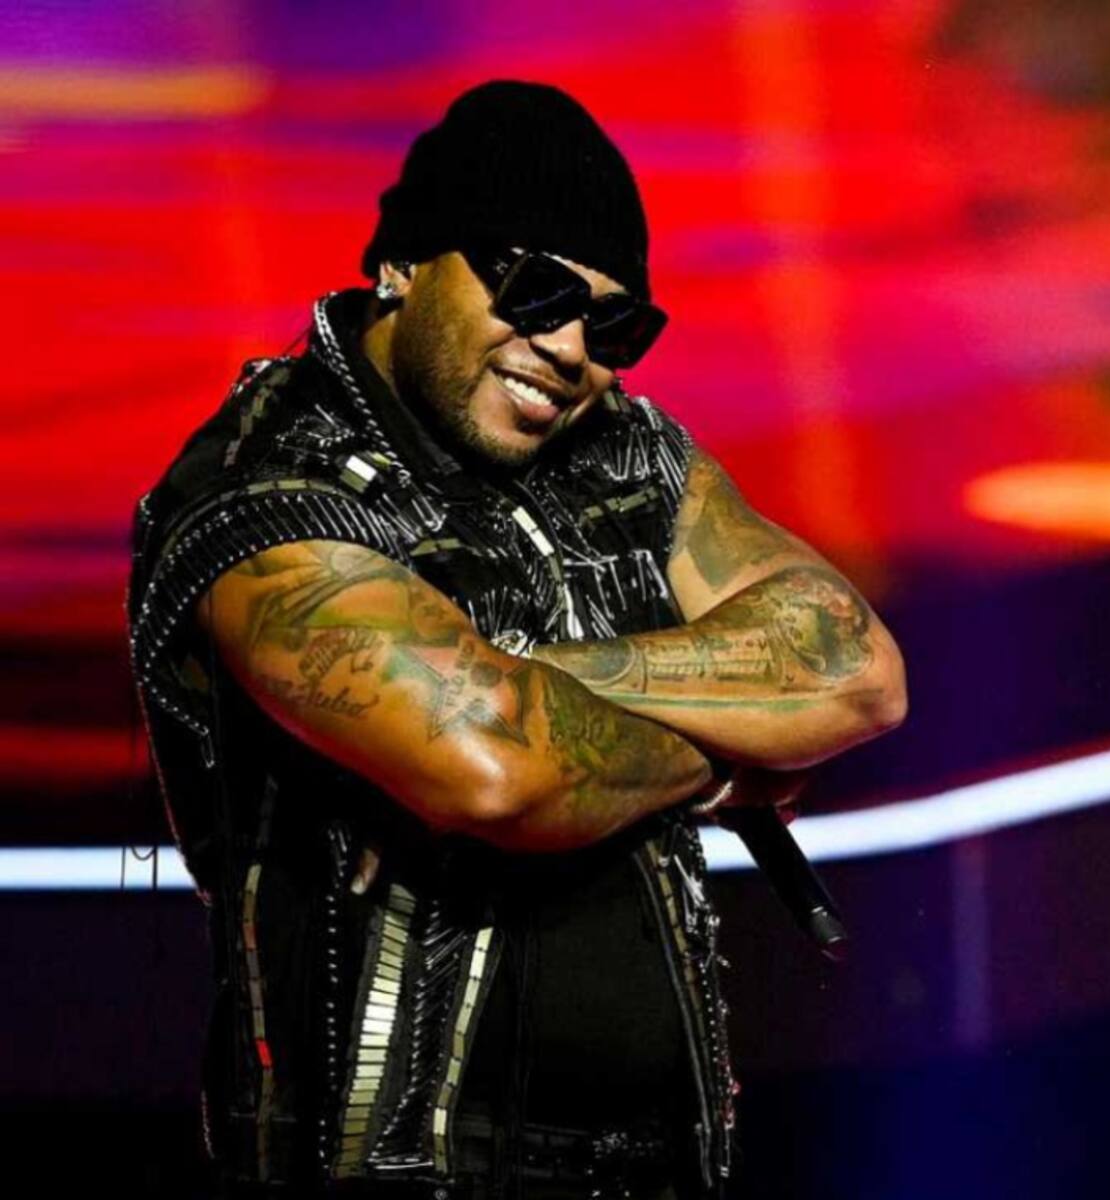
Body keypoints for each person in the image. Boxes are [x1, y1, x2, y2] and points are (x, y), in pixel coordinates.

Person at [125, 80, 907, 1200]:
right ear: (404, 264)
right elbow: (498, 771)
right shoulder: (265, 484)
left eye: (616, 326)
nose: (571, 348)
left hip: (665, 1166)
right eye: (535, 288)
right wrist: (727, 756)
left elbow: (856, 669)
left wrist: (534, 678)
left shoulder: (620, 447)